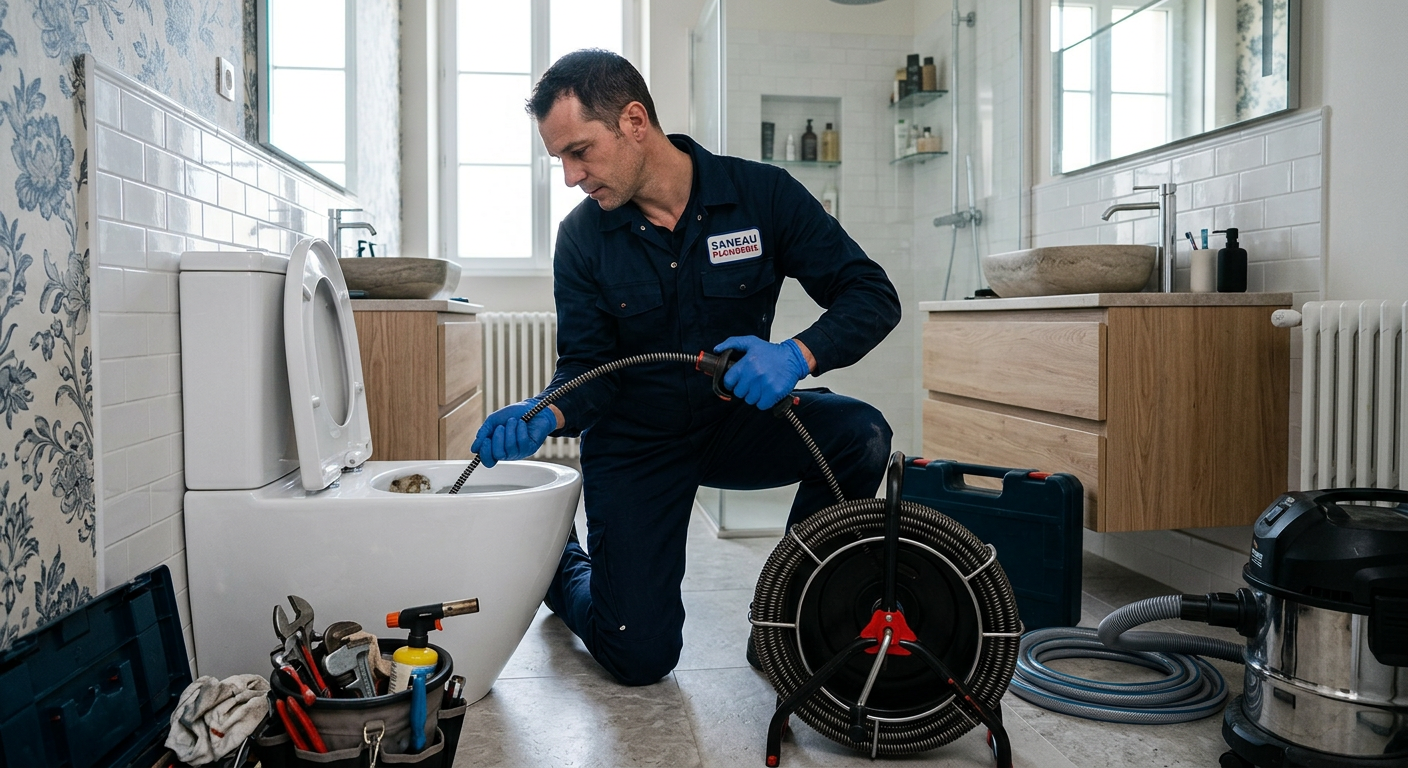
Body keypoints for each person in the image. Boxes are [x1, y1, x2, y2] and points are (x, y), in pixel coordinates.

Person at [470, 49, 901, 686]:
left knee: (861, 434)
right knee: (638, 655)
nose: (570, 176)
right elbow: (589, 367)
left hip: (736, 425)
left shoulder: (762, 196)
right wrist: (546, 412)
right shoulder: (584, 237)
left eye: (580, 152)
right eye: (559, 158)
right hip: (636, 443)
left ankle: (788, 620)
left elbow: (872, 294)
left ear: (635, 121)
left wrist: (796, 354)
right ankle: (563, 567)